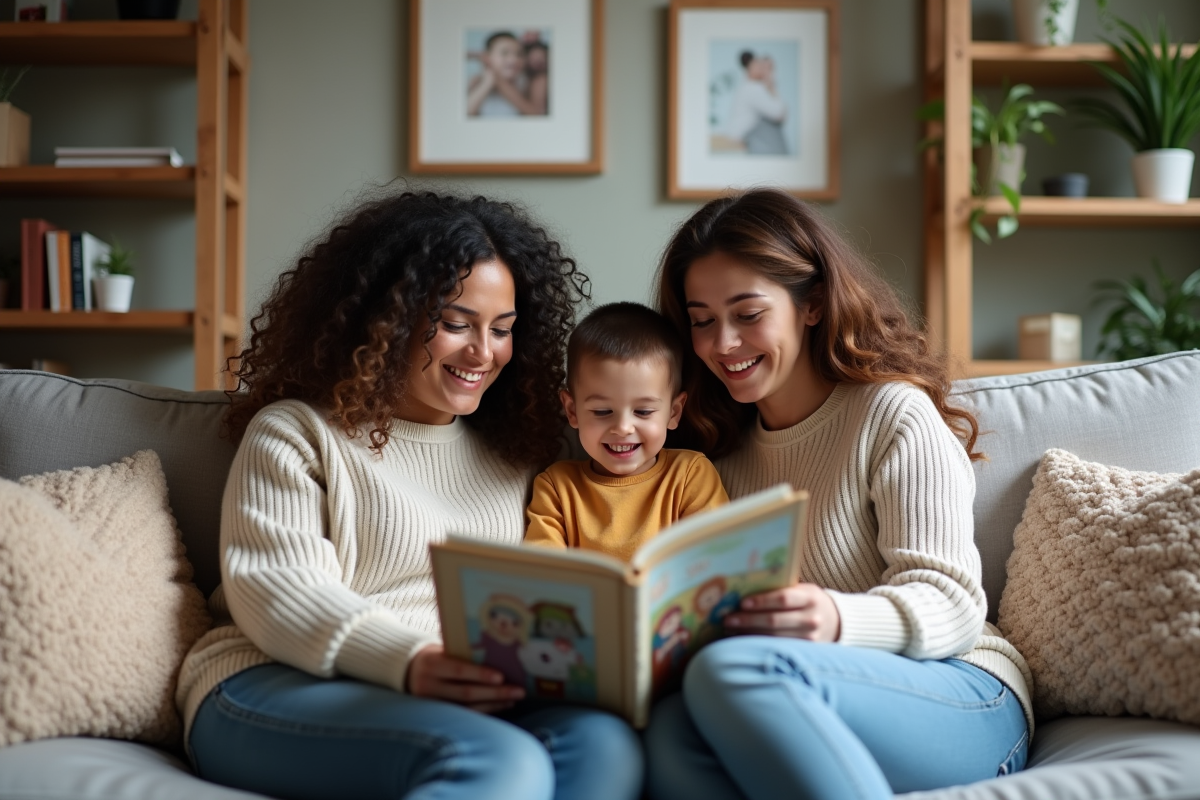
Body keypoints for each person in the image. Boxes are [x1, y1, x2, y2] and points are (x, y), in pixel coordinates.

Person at [176, 190, 643, 800]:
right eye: (456, 324)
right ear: (387, 320)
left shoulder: (518, 454)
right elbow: (277, 590)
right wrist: (413, 660)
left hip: (450, 698)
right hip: (268, 680)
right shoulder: (296, 432)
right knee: (497, 761)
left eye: (502, 329)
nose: (483, 352)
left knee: (604, 745)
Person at [644, 188, 1033, 800]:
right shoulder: (711, 458)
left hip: (965, 690)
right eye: (702, 321)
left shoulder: (891, 413)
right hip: (803, 691)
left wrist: (834, 617)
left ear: (814, 304)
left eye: (748, 314)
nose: (723, 343)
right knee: (669, 730)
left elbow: (954, 604)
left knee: (736, 671)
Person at [523, 302, 728, 563]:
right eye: (602, 411)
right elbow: (543, 570)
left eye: (643, 412)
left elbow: (716, 557)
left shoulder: (690, 474)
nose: (622, 428)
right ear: (572, 411)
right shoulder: (556, 486)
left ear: (674, 412)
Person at [722, 51, 788, 155]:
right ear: (750, 67)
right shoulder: (753, 89)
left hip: (739, 142)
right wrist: (772, 86)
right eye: (761, 66)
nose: (766, 72)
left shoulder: (746, 87)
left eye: (769, 69)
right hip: (739, 146)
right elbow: (779, 114)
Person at [467, 30, 546, 117]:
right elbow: (466, 114)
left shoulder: (528, 82)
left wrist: (497, 80)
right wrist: (487, 83)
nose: (514, 60)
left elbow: (536, 115)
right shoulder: (476, 81)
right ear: (487, 57)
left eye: (519, 54)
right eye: (504, 53)